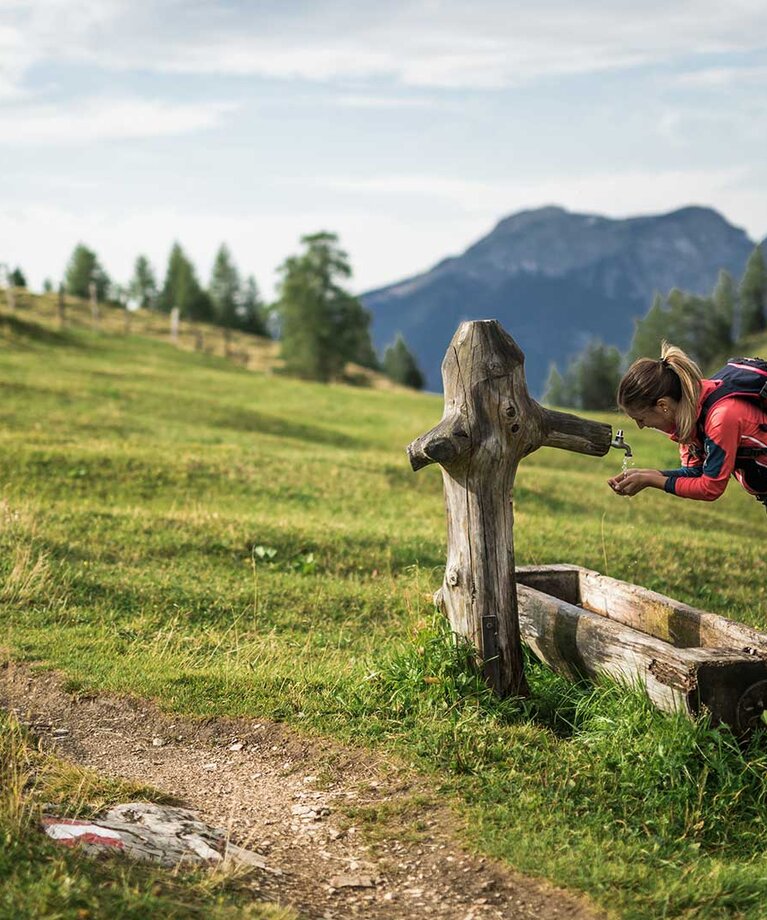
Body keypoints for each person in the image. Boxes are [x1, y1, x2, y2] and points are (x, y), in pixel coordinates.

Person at [608, 342, 767, 511]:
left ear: (663, 406)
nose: (640, 426)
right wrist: (647, 475)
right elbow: (694, 473)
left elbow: (710, 488)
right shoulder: (689, 416)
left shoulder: (721, 418)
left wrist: (651, 480)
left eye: (640, 419)